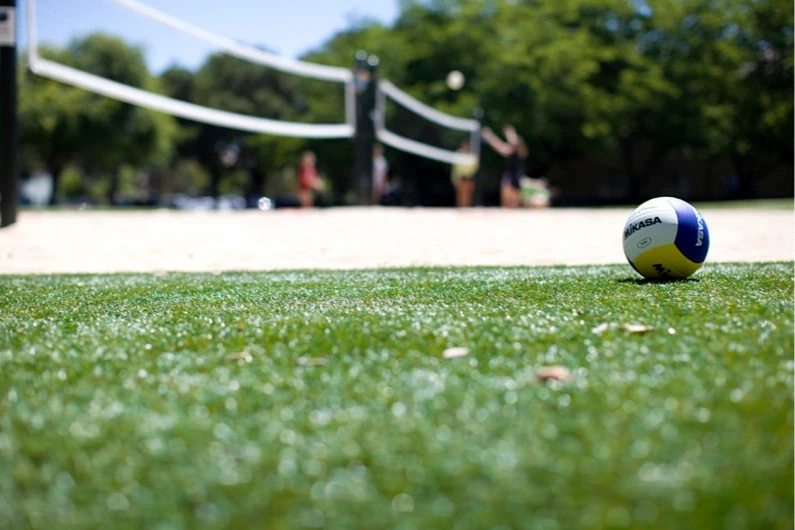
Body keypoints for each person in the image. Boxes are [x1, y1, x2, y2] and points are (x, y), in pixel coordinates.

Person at [481, 125, 528, 208]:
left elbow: (514, 142)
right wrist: (490, 136)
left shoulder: (520, 148)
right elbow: (498, 145)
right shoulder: (510, 149)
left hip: (517, 175)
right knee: (506, 200)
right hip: (510, 174)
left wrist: (509, 133)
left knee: (514, 201)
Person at [450, 140, 479, 207]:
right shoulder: (458, 154)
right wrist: (455, 179)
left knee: (468, 195)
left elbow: (475, 168)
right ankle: (460, 208)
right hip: (461, 178)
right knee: (460, 195)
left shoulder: (472, 155)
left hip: (469, 178)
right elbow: (455, 169)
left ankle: (467, 208)